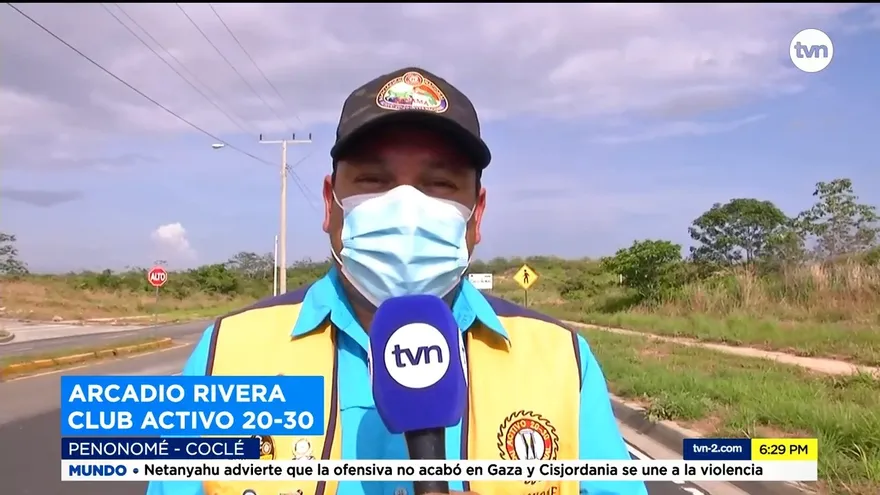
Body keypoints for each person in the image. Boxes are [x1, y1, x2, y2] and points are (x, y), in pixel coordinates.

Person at [146, 67, 648, 495]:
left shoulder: (561, 361)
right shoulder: (225, 354)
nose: (406, 208)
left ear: (476, 214)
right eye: (374, 181)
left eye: (439, 184)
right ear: (330, 202)